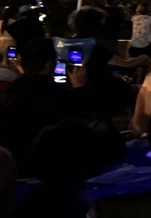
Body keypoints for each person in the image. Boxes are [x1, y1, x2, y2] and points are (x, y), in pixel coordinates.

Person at [0, 37, 122, 177]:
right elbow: (82, 120)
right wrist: (79, 88)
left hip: (16, 163)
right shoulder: (56, 93)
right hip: (50, 165)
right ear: (49, 65)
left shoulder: (12, 91)